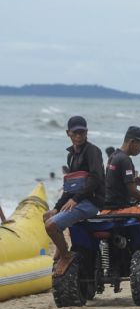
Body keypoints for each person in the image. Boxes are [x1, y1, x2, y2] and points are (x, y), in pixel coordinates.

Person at [43, 116, 105, 276]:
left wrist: (75, 199)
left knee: (51, 226)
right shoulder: (71, 155)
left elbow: (96, 178)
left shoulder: (93, 151)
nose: (78, 136)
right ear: (68, 133)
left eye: (81, 132)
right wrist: (57, 207)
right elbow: (70, 187)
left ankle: (65, 255)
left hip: (91, 202)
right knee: (47, 216)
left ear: (86, 132)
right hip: (78, 201)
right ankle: (60, 249)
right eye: (75, 133)